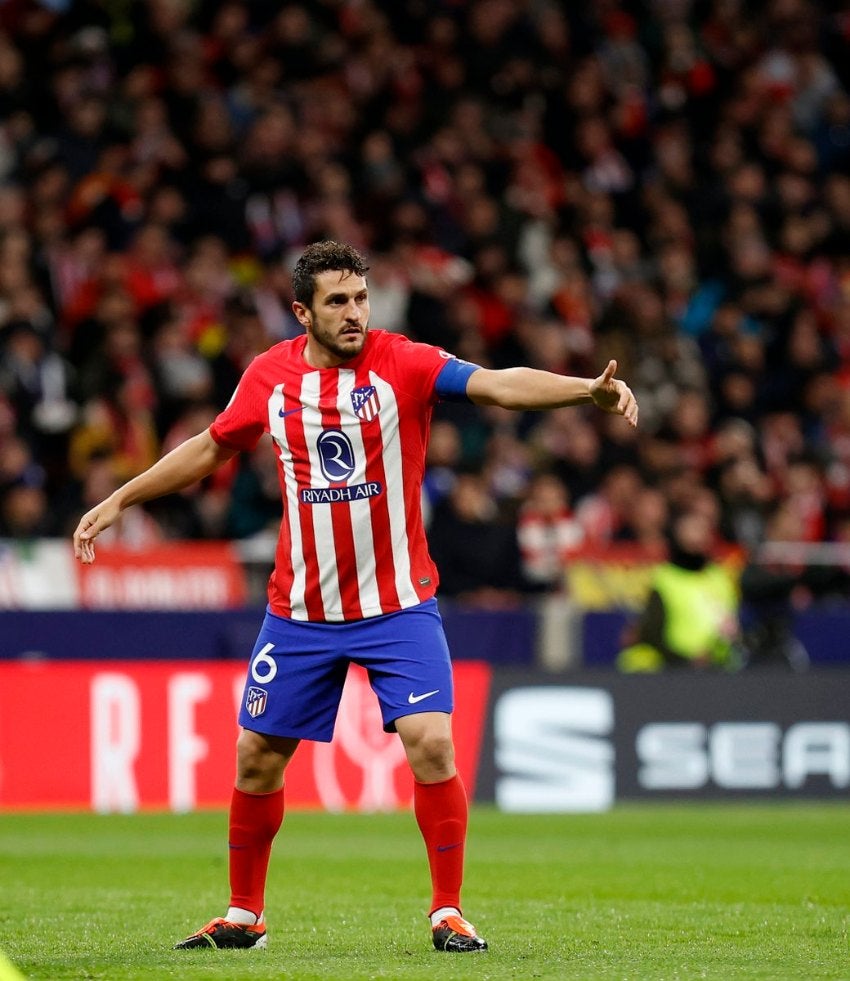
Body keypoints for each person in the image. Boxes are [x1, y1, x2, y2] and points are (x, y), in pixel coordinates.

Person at [73, 240, 638, 954]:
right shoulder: (270, 376)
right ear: (301, 311)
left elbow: (496, 384)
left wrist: (585, 389)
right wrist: (121, 498)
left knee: (432, 742)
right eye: (337, 301)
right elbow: (213, 445)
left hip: (397, 604)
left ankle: (448, 912)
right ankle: (244, 914)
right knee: (255, 757)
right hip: (302, 612)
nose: (354, 313)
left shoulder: (403, 361)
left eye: (361, 298)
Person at [617, 508, 740, 672]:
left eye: (702, 529)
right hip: (676, 668)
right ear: (676, 535)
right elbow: (652, 632)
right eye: (691, 529)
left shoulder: (720, 577)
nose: (698, 536)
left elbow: (729, 622)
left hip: (718, 667)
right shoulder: (665, 578)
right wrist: (686, 659)